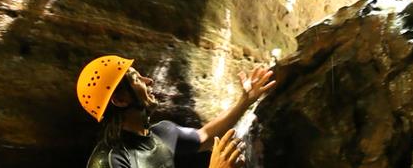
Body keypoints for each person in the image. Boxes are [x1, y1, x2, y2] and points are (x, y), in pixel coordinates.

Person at [77, 55, 276, 168]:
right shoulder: (109, 162)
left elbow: (205, 136)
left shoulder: (162, 134)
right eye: (137, 79)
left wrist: (245, 100)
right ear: (120, 100)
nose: (149, 81)